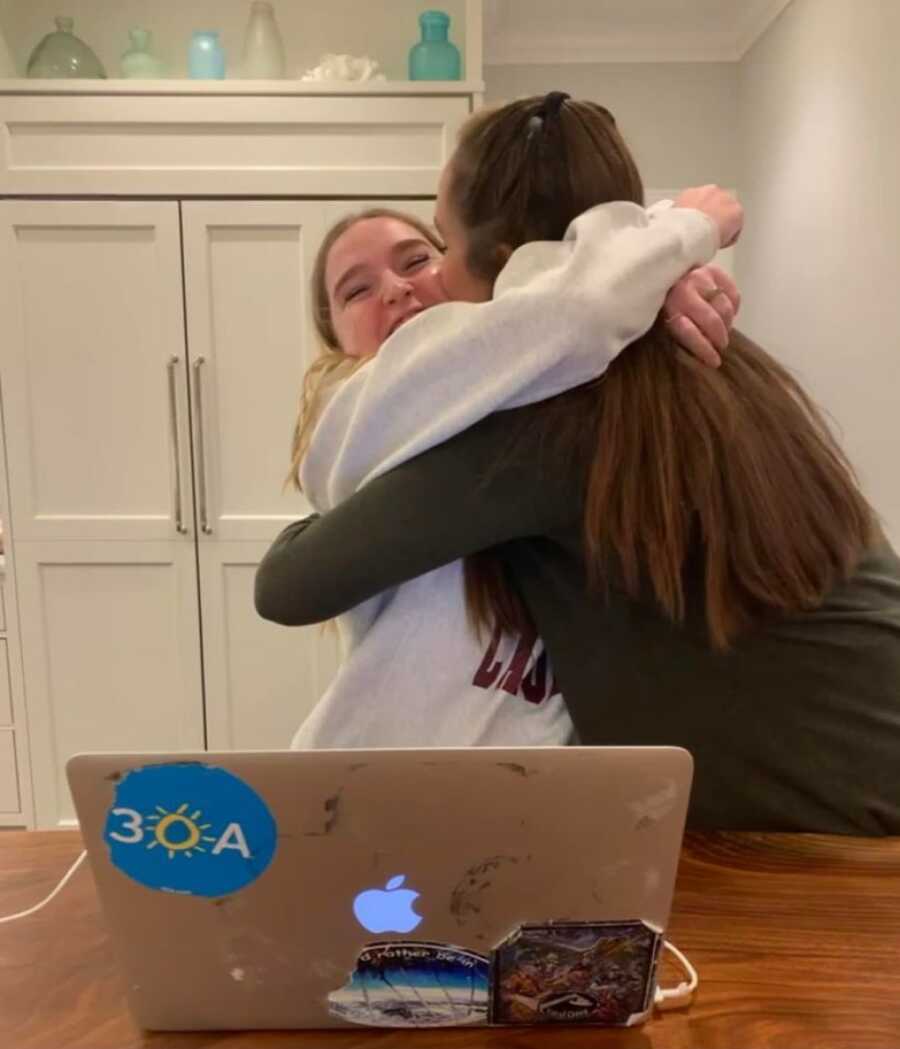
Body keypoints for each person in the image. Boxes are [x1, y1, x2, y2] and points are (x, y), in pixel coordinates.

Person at [258, 93, 900, 835]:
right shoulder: (710, 360)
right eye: (357, 289)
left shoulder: (549, 411)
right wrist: (664, 253)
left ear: (505, 272)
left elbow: (292, 580)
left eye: (435, 247)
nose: (416, 288)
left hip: (841, 827)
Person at [261, 102, 741, 750]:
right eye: (356, 290)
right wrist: (681, 234)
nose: (398, 290)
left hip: (523, 786)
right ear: (335, 338)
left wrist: (657, 290)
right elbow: (577, 301)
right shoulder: (363, 410)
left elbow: (563, 287)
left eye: (417, 258)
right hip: (378, 768)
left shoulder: (542, 370)